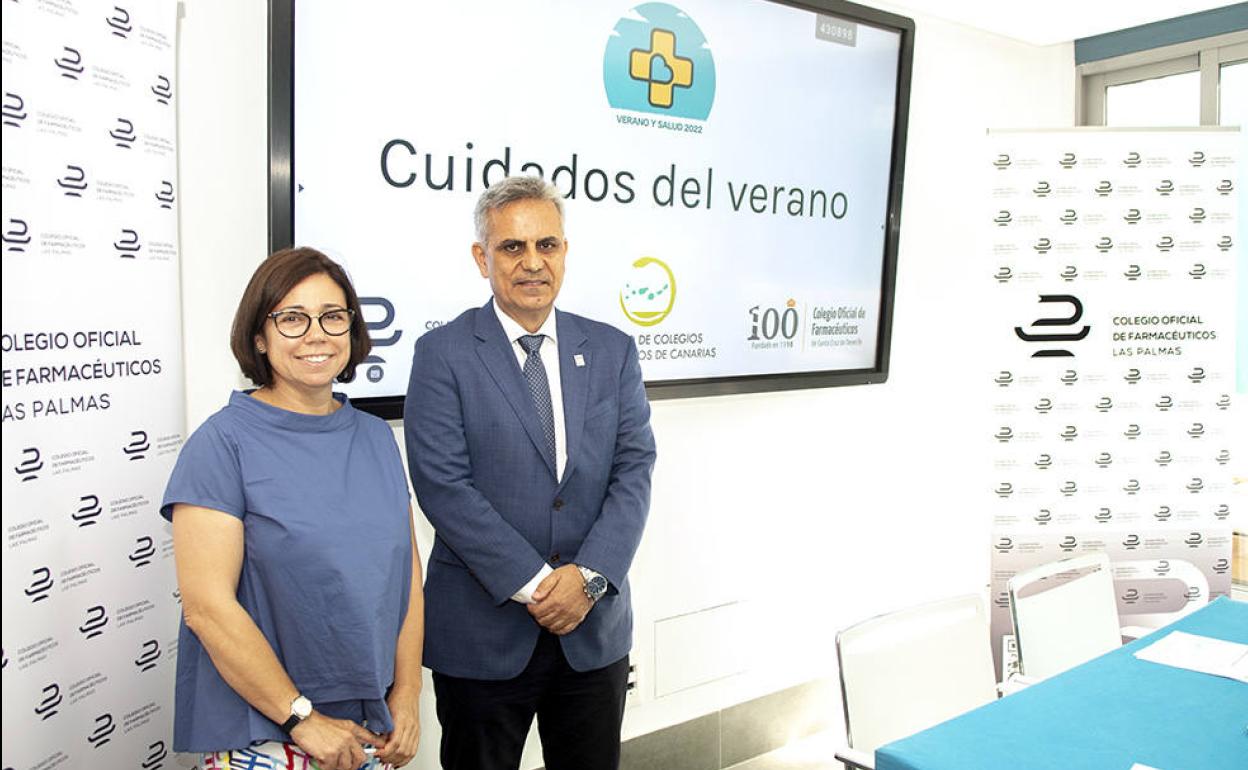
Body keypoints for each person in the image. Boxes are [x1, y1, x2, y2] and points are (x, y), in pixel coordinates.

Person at [404, 175, 657, 770]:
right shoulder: (442, 355)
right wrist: (540, 586)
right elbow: (443, 484)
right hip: (482, 635)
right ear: (481, 257)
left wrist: (589, 578)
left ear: (565, 251)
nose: (532, 263)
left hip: (593, 635)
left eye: (547, 245)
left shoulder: (613, 349)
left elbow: (634, 469)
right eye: (512, 247)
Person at [161, 247, 423, 770]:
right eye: (292, 319)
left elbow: (405, 575)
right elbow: (207, 609)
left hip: (368, 728)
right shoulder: (222, 444)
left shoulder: (375, 437)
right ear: (259, 336)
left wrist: (410, 692)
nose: (316, 334)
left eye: (332, 316)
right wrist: (301, 716)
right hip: (269, 733)